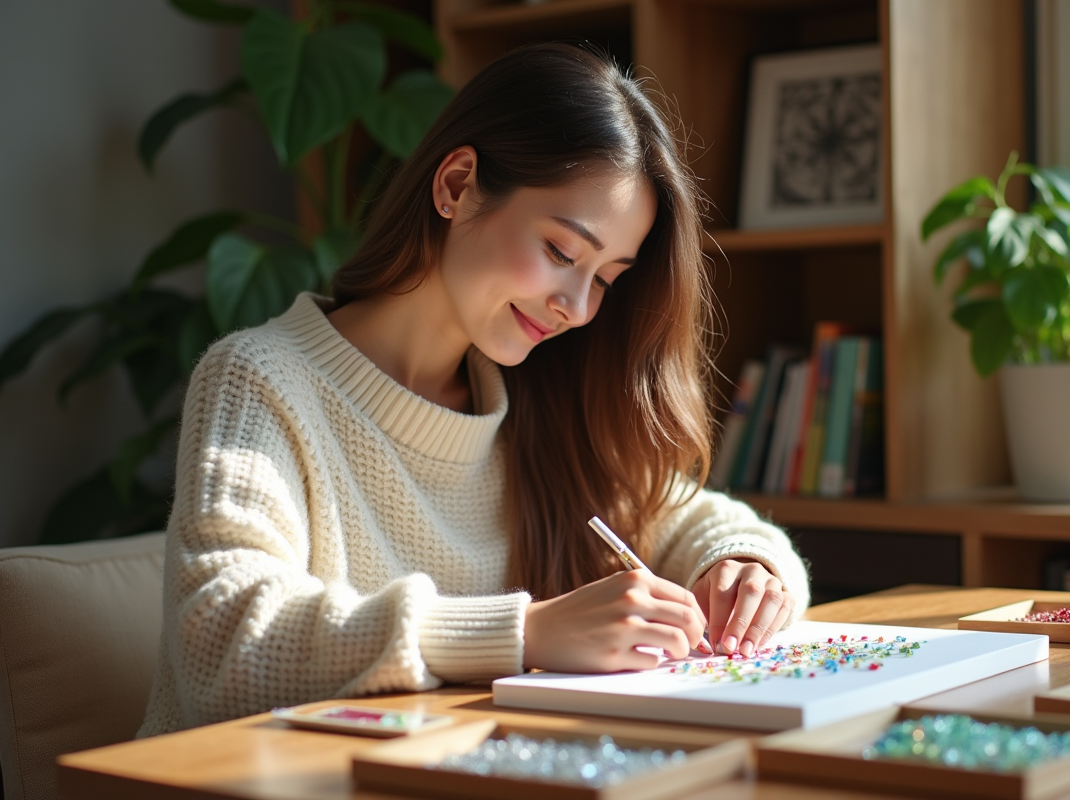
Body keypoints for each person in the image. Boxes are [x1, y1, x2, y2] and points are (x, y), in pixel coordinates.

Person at [138, 42, 809, 738]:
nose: (577, 308)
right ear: (456, 186)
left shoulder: (534, 401)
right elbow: (220, 641)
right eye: (560, 252)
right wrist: (525, 632)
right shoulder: (259, 380)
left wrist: (744, 567)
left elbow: (688, 519)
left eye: (607, 278)